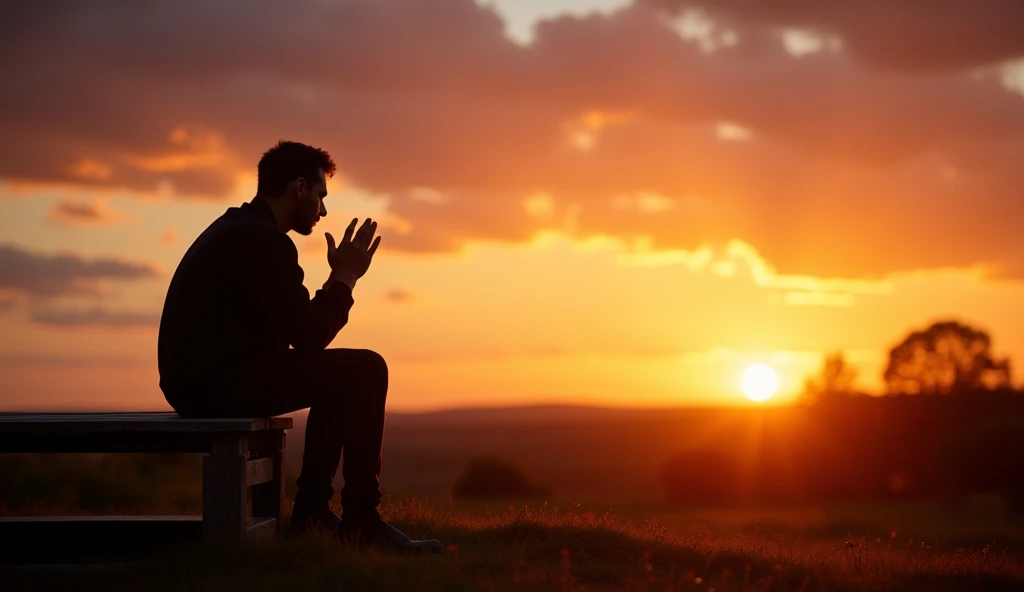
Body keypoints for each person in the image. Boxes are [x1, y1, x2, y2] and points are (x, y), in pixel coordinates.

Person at [157, 140, 441, 553]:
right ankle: (361, 520)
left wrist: (336, 283)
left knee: (339, 375)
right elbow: (309, 338)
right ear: (298, 186)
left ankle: (312, 513)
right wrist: (345, 278)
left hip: (202, 381)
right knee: (366, 369)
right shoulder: (263, 242)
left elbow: (301, 332)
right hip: (215, 386)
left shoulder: (242, 230)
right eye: (321, 195)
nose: (323, 210)